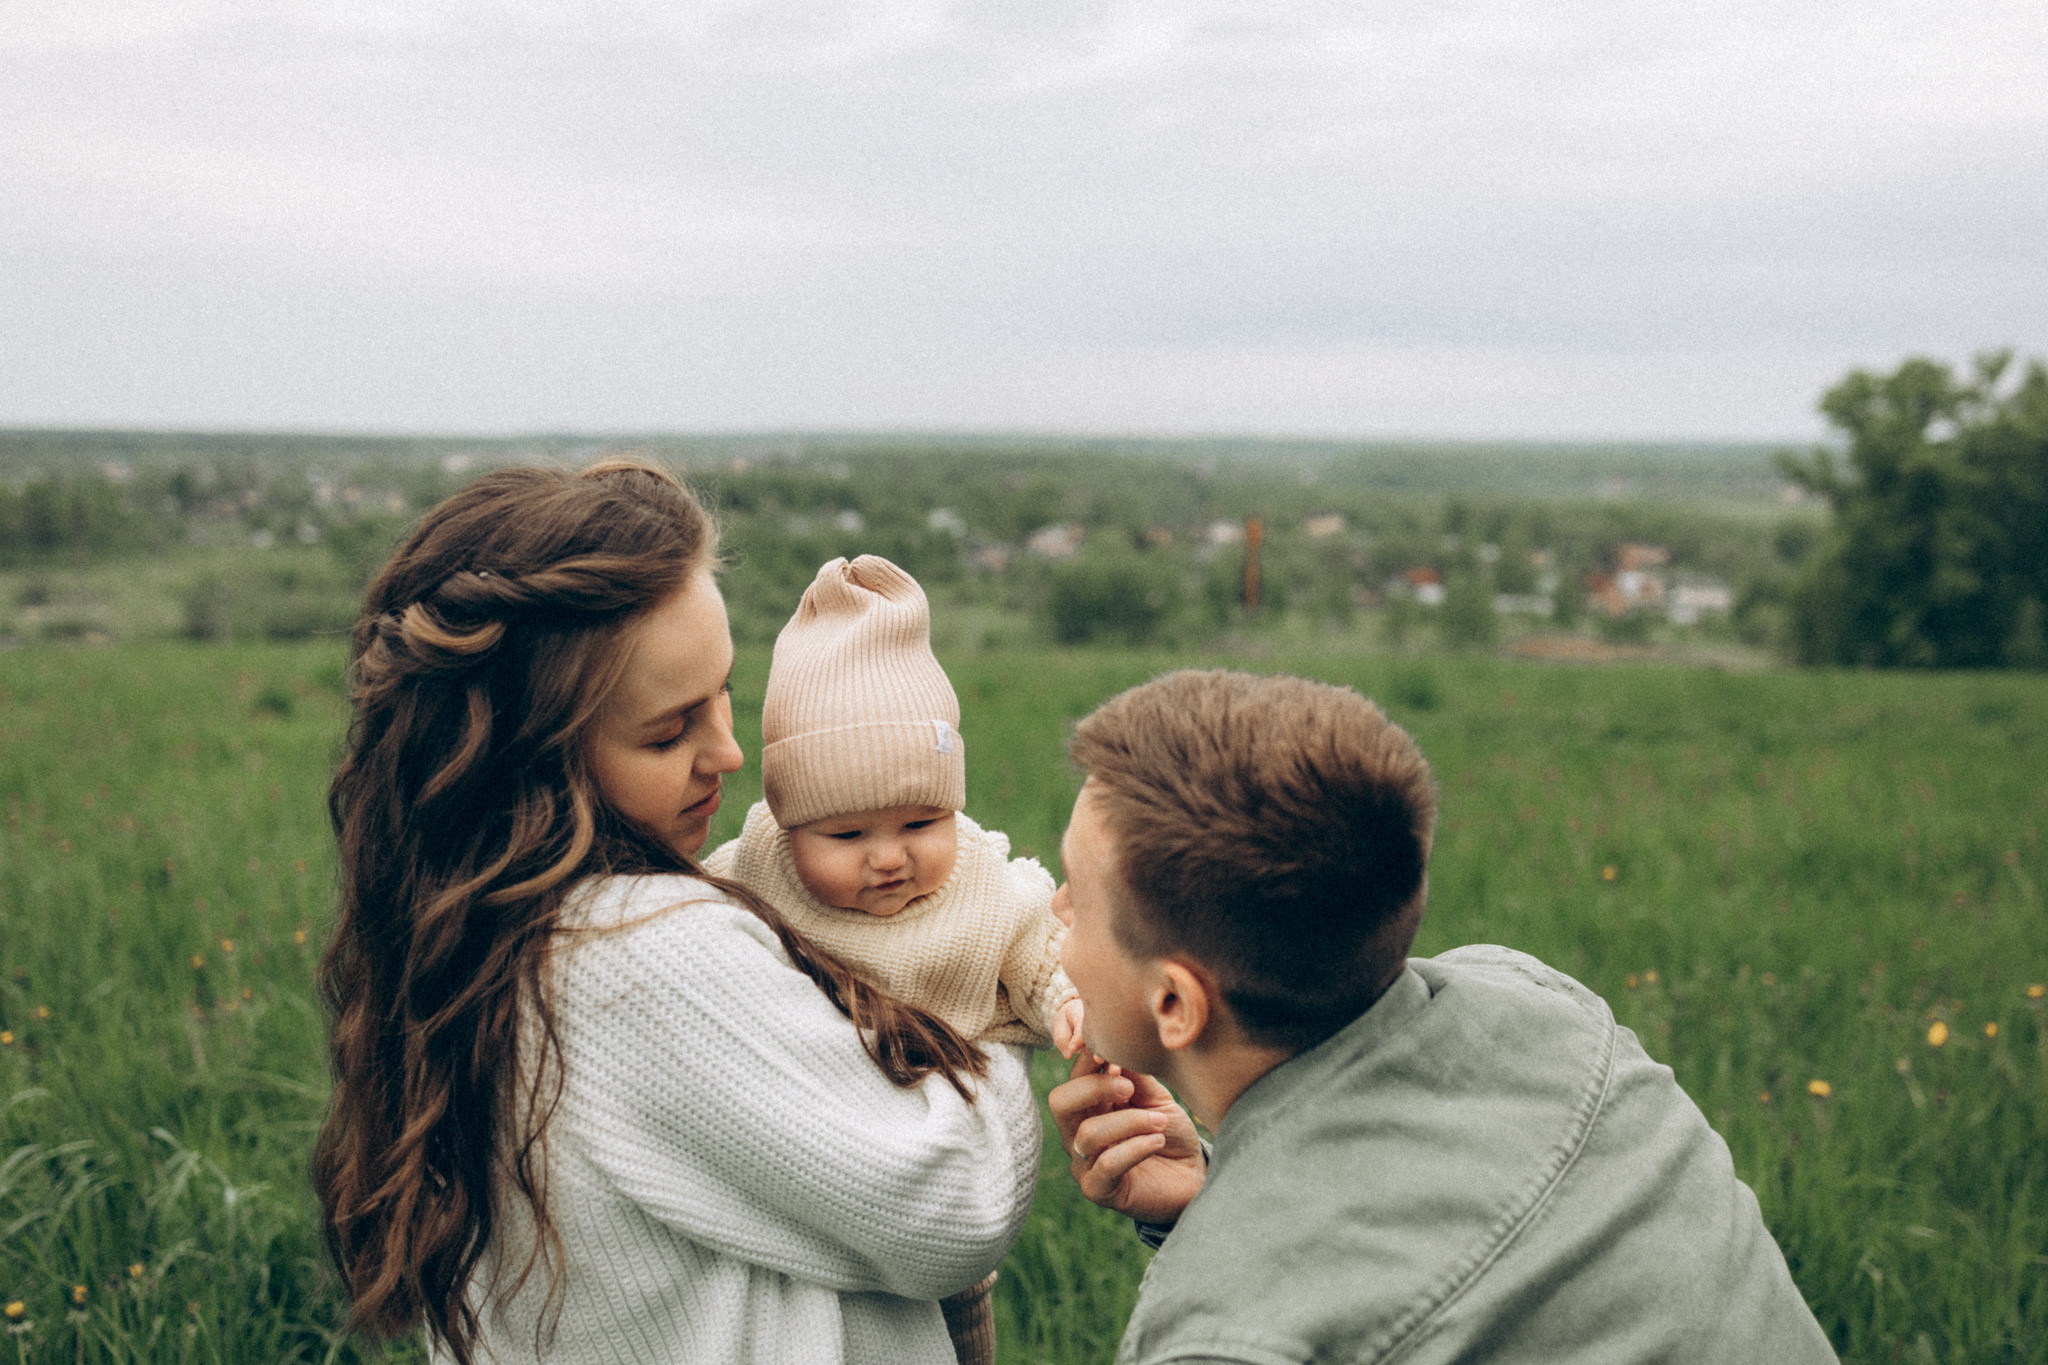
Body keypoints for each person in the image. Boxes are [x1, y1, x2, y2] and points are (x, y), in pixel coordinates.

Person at [314, 460, 1040, 1365]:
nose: (729, 752)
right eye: (668, 731)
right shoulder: (639, 951)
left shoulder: (476, 933)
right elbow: (954, 1203)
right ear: (531, 760)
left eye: (724, 692)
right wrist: (989, 999)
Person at [1047, 669, 1838, 1365]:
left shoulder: (1224, 1339)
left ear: (1175, 1004)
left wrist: (1233, 1249)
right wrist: (1218, 1198)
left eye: (1078, 895)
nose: (1055, 909)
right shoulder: (1547, 1010)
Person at [703, 553, 1084, 1365]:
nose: (888, 857)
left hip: (945, 1175)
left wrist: (1072, 1007)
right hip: (818, 1174)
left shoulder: (980, 885)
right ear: (789, 825)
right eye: (847, 834)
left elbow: (1040, 955)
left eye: (920, 823)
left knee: (959, 1333)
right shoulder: (756, 871)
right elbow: (694, 923)